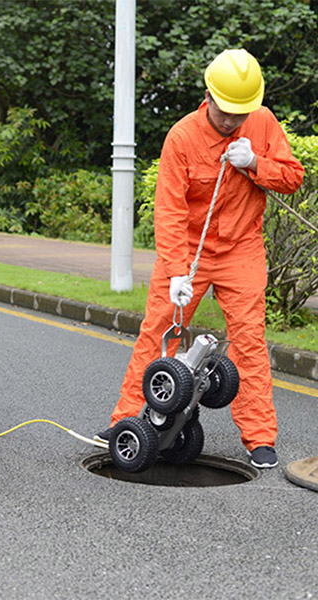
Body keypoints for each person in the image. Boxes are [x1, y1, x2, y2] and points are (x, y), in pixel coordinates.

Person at [96, 49, 304, 468]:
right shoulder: (182, 137)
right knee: (159, 333)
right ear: (207, 95)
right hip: (189, 252)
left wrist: (256, 162)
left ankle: (260, 437)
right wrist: (176, 271)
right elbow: (169, 211)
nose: (231, 120)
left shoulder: (262, 123)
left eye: (239, 113)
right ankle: (125, 420)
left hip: (242, 249)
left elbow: (293, 177)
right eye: (224, 110)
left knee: (249, 343)